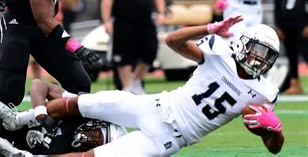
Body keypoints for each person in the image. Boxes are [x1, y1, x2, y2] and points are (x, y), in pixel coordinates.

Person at [27, 16, 285, 156]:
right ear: (243, 43)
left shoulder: (264, 93)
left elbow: (275, 149)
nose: (260, 59)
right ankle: (21, 120)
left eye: (267, 56)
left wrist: (275, 131)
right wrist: (208, 27)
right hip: (156, 105)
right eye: (259, 50)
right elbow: (173, 41)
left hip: (169, 138)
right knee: (84, 103)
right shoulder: (218, 53)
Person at [100, 0, 165, 94]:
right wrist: (107, 21)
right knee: (124, 58)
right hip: (124, 23)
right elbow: (107, 0)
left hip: (146, 23)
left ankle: (136, 82)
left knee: (150, 52)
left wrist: (161, 12)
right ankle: (127, 88)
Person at [274, 0, 307, 95]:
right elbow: (276, 5)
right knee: (291, 55)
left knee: (306, 53)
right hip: (286, 25)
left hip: (301, 24)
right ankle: (295, 84)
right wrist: (278, 26)